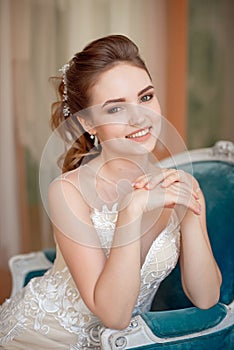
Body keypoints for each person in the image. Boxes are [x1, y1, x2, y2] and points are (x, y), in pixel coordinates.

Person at [0, 35, 221, 349]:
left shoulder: (179, 184)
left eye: (145, 97)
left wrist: (187, 215)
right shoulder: (67, 191)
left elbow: (207, 297)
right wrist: (130, 211)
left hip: (128, 341)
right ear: (89, 122)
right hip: (48, 336)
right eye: (116, 108)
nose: (140, 117)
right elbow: (114, 316)